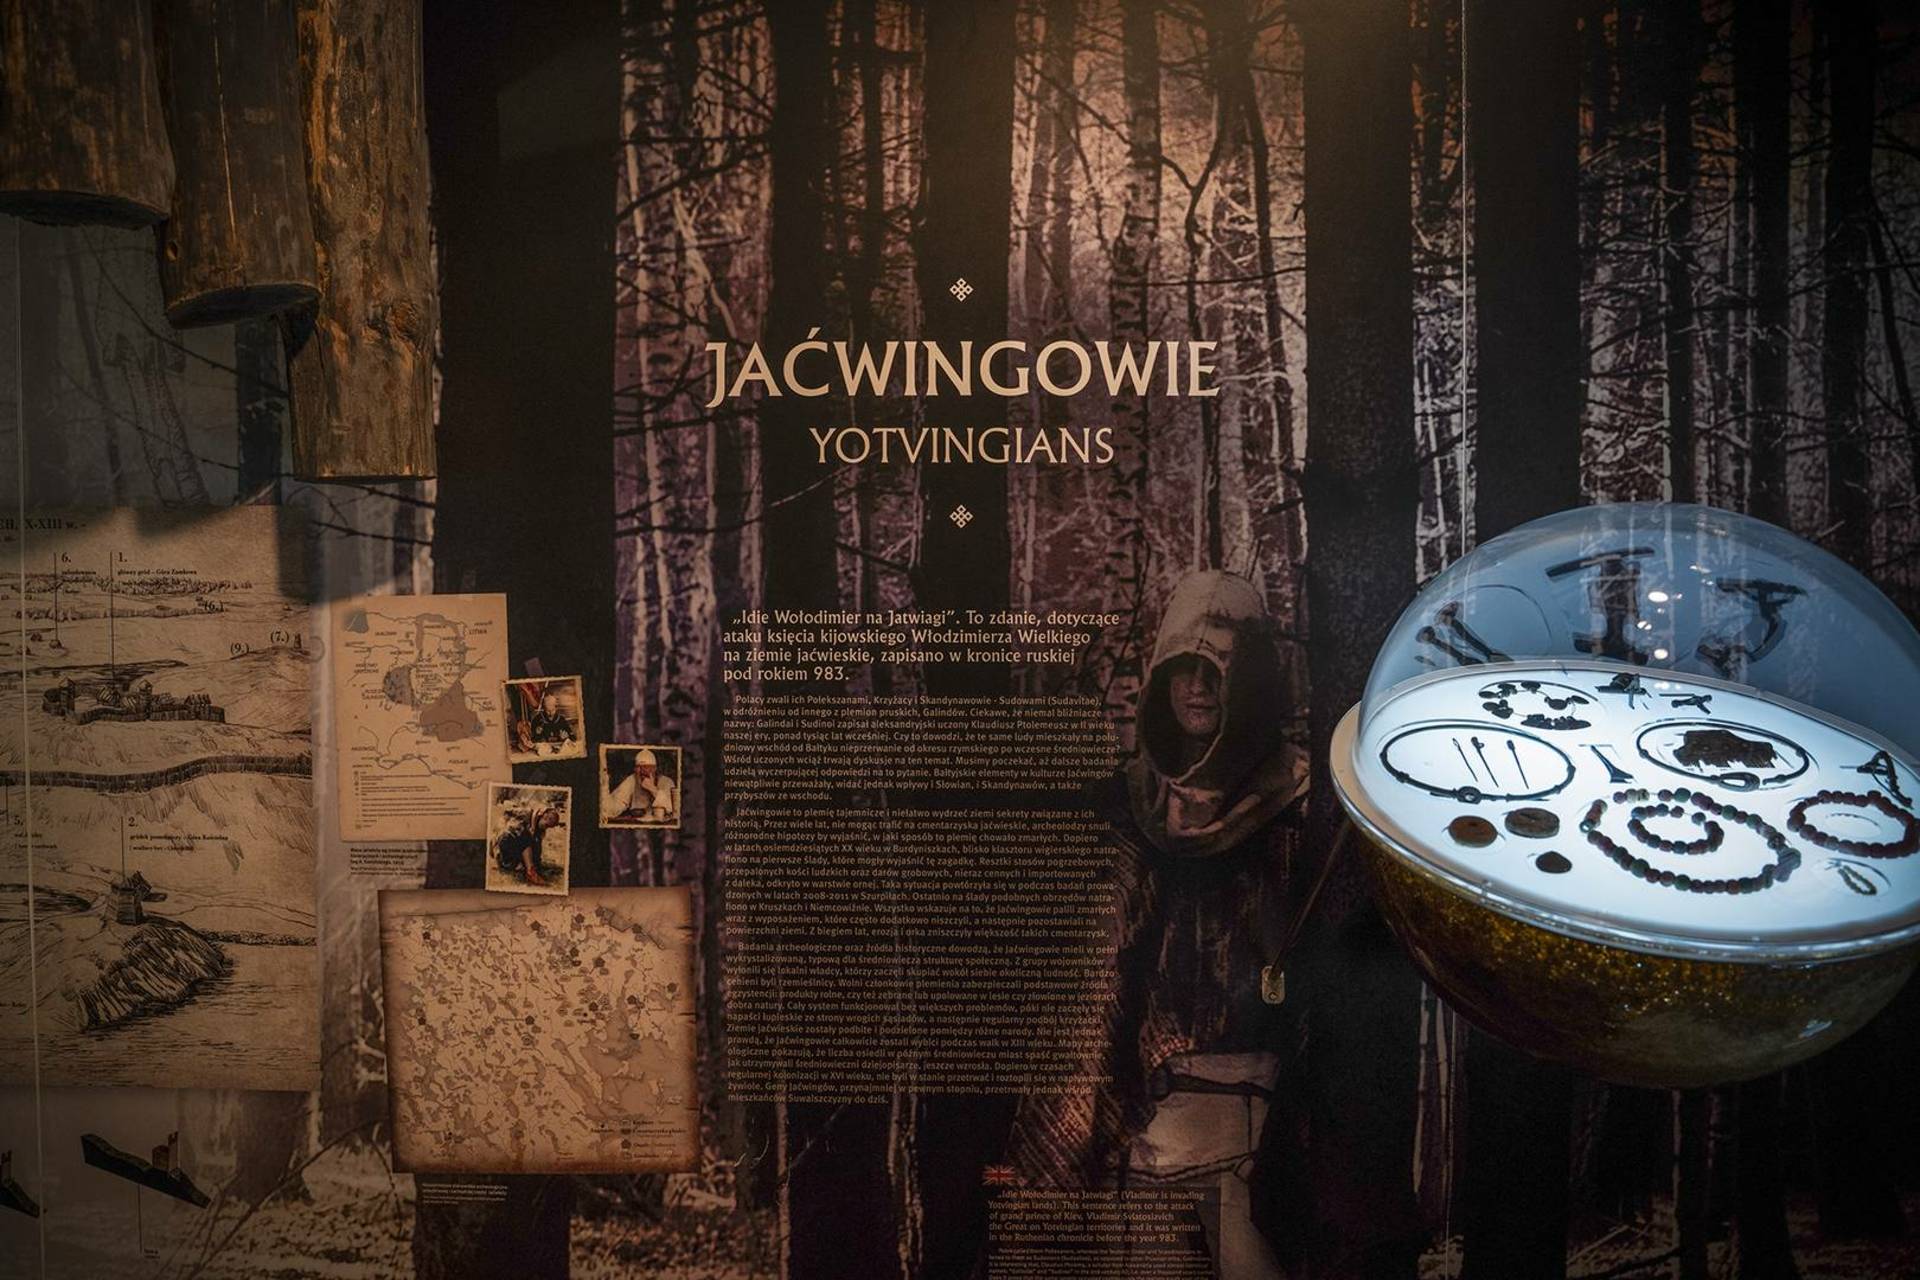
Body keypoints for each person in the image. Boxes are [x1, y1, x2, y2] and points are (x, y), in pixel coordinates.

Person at [1006, 569, 1307, 1278]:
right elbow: (1091, 984)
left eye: (1218, 671)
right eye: (1182, 669)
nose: (1197, 688)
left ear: (1250, 680)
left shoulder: (1298, 802)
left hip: (1271, 1117)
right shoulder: (1129, 801)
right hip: (1145, 1123)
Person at [494, 803, 563, 886]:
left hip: (514, 852)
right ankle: (530, 872)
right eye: (547, 822)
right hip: (505, 843)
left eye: (549, 826)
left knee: (531, 841)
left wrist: (537, 864)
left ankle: (529, 869)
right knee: (524, 833)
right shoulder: (527, 813)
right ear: (543, 815)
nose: (546, 826)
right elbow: (507, 813)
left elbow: (537, 850)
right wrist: (502, 828)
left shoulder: (539, 832)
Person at [603, 747, 677, 823]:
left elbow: (673, 809)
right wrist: (604, 785)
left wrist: (653, 789)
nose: (642, 771)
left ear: (655, 768)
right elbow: (611, 809)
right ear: (635, 769)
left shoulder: (666, 782)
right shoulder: (632, 780)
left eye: (647, 767)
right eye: (639, 767)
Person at [518, 689, 577, 754]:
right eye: (548, 711)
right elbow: (533, 739)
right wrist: (538, 735)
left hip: (559, 746)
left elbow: (573, 737)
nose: (550, 714)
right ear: (543, 708)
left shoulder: (561, 720)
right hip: (544, 748)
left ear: (556, 708)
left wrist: (566, 737)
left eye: (552, 710)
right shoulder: (537, 719)